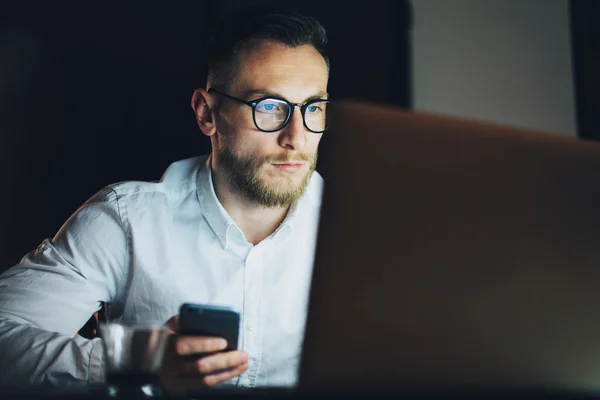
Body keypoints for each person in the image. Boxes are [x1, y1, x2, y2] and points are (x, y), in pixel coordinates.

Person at [0, 6, 330, 392]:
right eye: (270, 107)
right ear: (207, 113)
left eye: (313, 108)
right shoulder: (127, 220)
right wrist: (137, 362)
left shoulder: (363, 227)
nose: (296, 137)